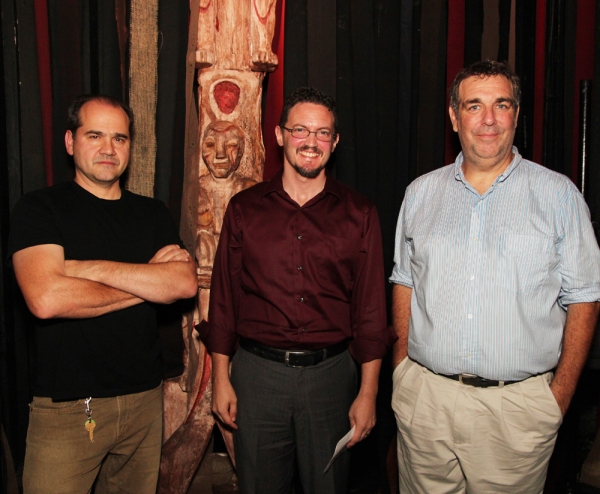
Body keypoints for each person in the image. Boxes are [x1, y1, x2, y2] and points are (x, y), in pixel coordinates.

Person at [390, 59, 600, 493]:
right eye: (473, 106)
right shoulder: (420, 194)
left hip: (516, 411)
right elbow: (405, 282)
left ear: (516, 115)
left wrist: (556, 399)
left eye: (501, 105)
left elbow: (585, 296)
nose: (488, 119)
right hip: (426, 405)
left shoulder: (558, 196)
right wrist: (402, 373)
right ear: (453, 116)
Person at [203, 87, 395, 493]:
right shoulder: (244, 209)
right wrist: (221, 378)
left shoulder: (360, 213)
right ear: (278, 135)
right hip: (258, 377)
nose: (311, 142)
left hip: (332, 377)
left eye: (323, 133)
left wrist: (368, 392)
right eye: (300, 130)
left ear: (335, 142)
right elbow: (223, 302)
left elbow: (372, 313)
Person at [8, 95, 198, 493]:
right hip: (68, 407)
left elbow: (182, 284)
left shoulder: (152, 213)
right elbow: (46, 299)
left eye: (120, 138)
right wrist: (149, 282)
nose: (109, 149)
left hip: (145, 400)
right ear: (69, 141)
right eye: (94, 135)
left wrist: (81, 269)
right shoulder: (39, 209)